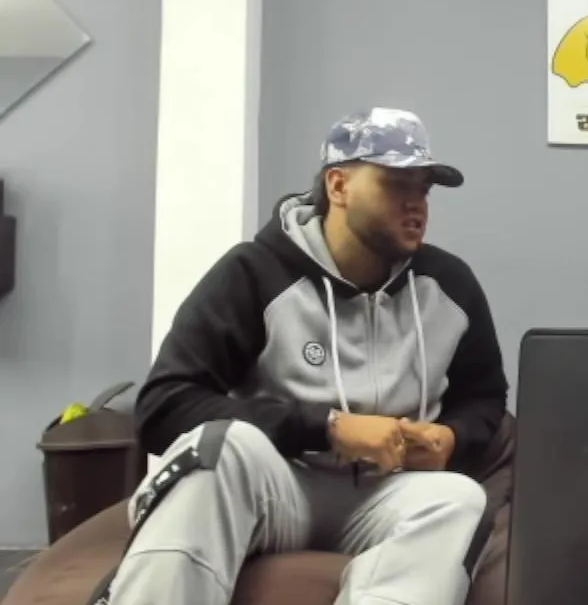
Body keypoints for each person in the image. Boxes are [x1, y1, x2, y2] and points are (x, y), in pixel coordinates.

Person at [101, 107, 509, 605]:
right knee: (221, 446)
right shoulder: (254, 273)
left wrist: (451, 438)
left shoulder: (450, 286)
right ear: (339, 186)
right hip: (280, 485)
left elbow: (485, 397)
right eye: (396, 184)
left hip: (387, 494)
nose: (416, 204)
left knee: (460, 498)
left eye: (423, 189)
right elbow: (165, 406)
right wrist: (329, 428)